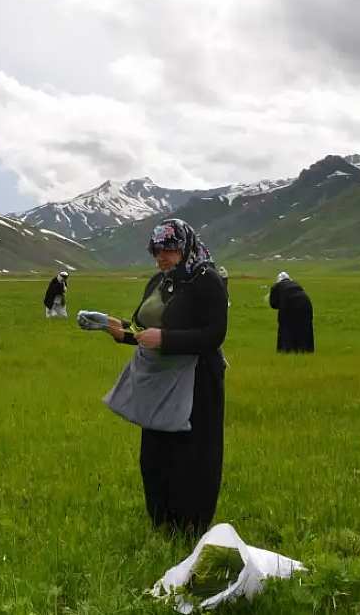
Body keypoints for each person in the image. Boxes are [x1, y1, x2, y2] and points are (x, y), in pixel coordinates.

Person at [99, 218, 228, 535]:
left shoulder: (208, 281)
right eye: (156, 251)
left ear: (185, 247)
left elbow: (214, 335)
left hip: (198, 381)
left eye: (168, 250)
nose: (161, 257)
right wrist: (121, 333)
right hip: (159, 380)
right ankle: (161, 520)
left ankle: (192, 527)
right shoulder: (159, 281)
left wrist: (167, 340)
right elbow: (145, 331)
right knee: (155, 453)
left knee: (193, 454)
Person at [269, 272, 314, 353]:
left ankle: (286, 350)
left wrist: (281, 302)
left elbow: (273, 304)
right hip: (306, 305)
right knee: (304, 327)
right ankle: (306, 350)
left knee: (286, 327)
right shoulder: (296, 284)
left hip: (289, 306)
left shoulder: (276, 286)